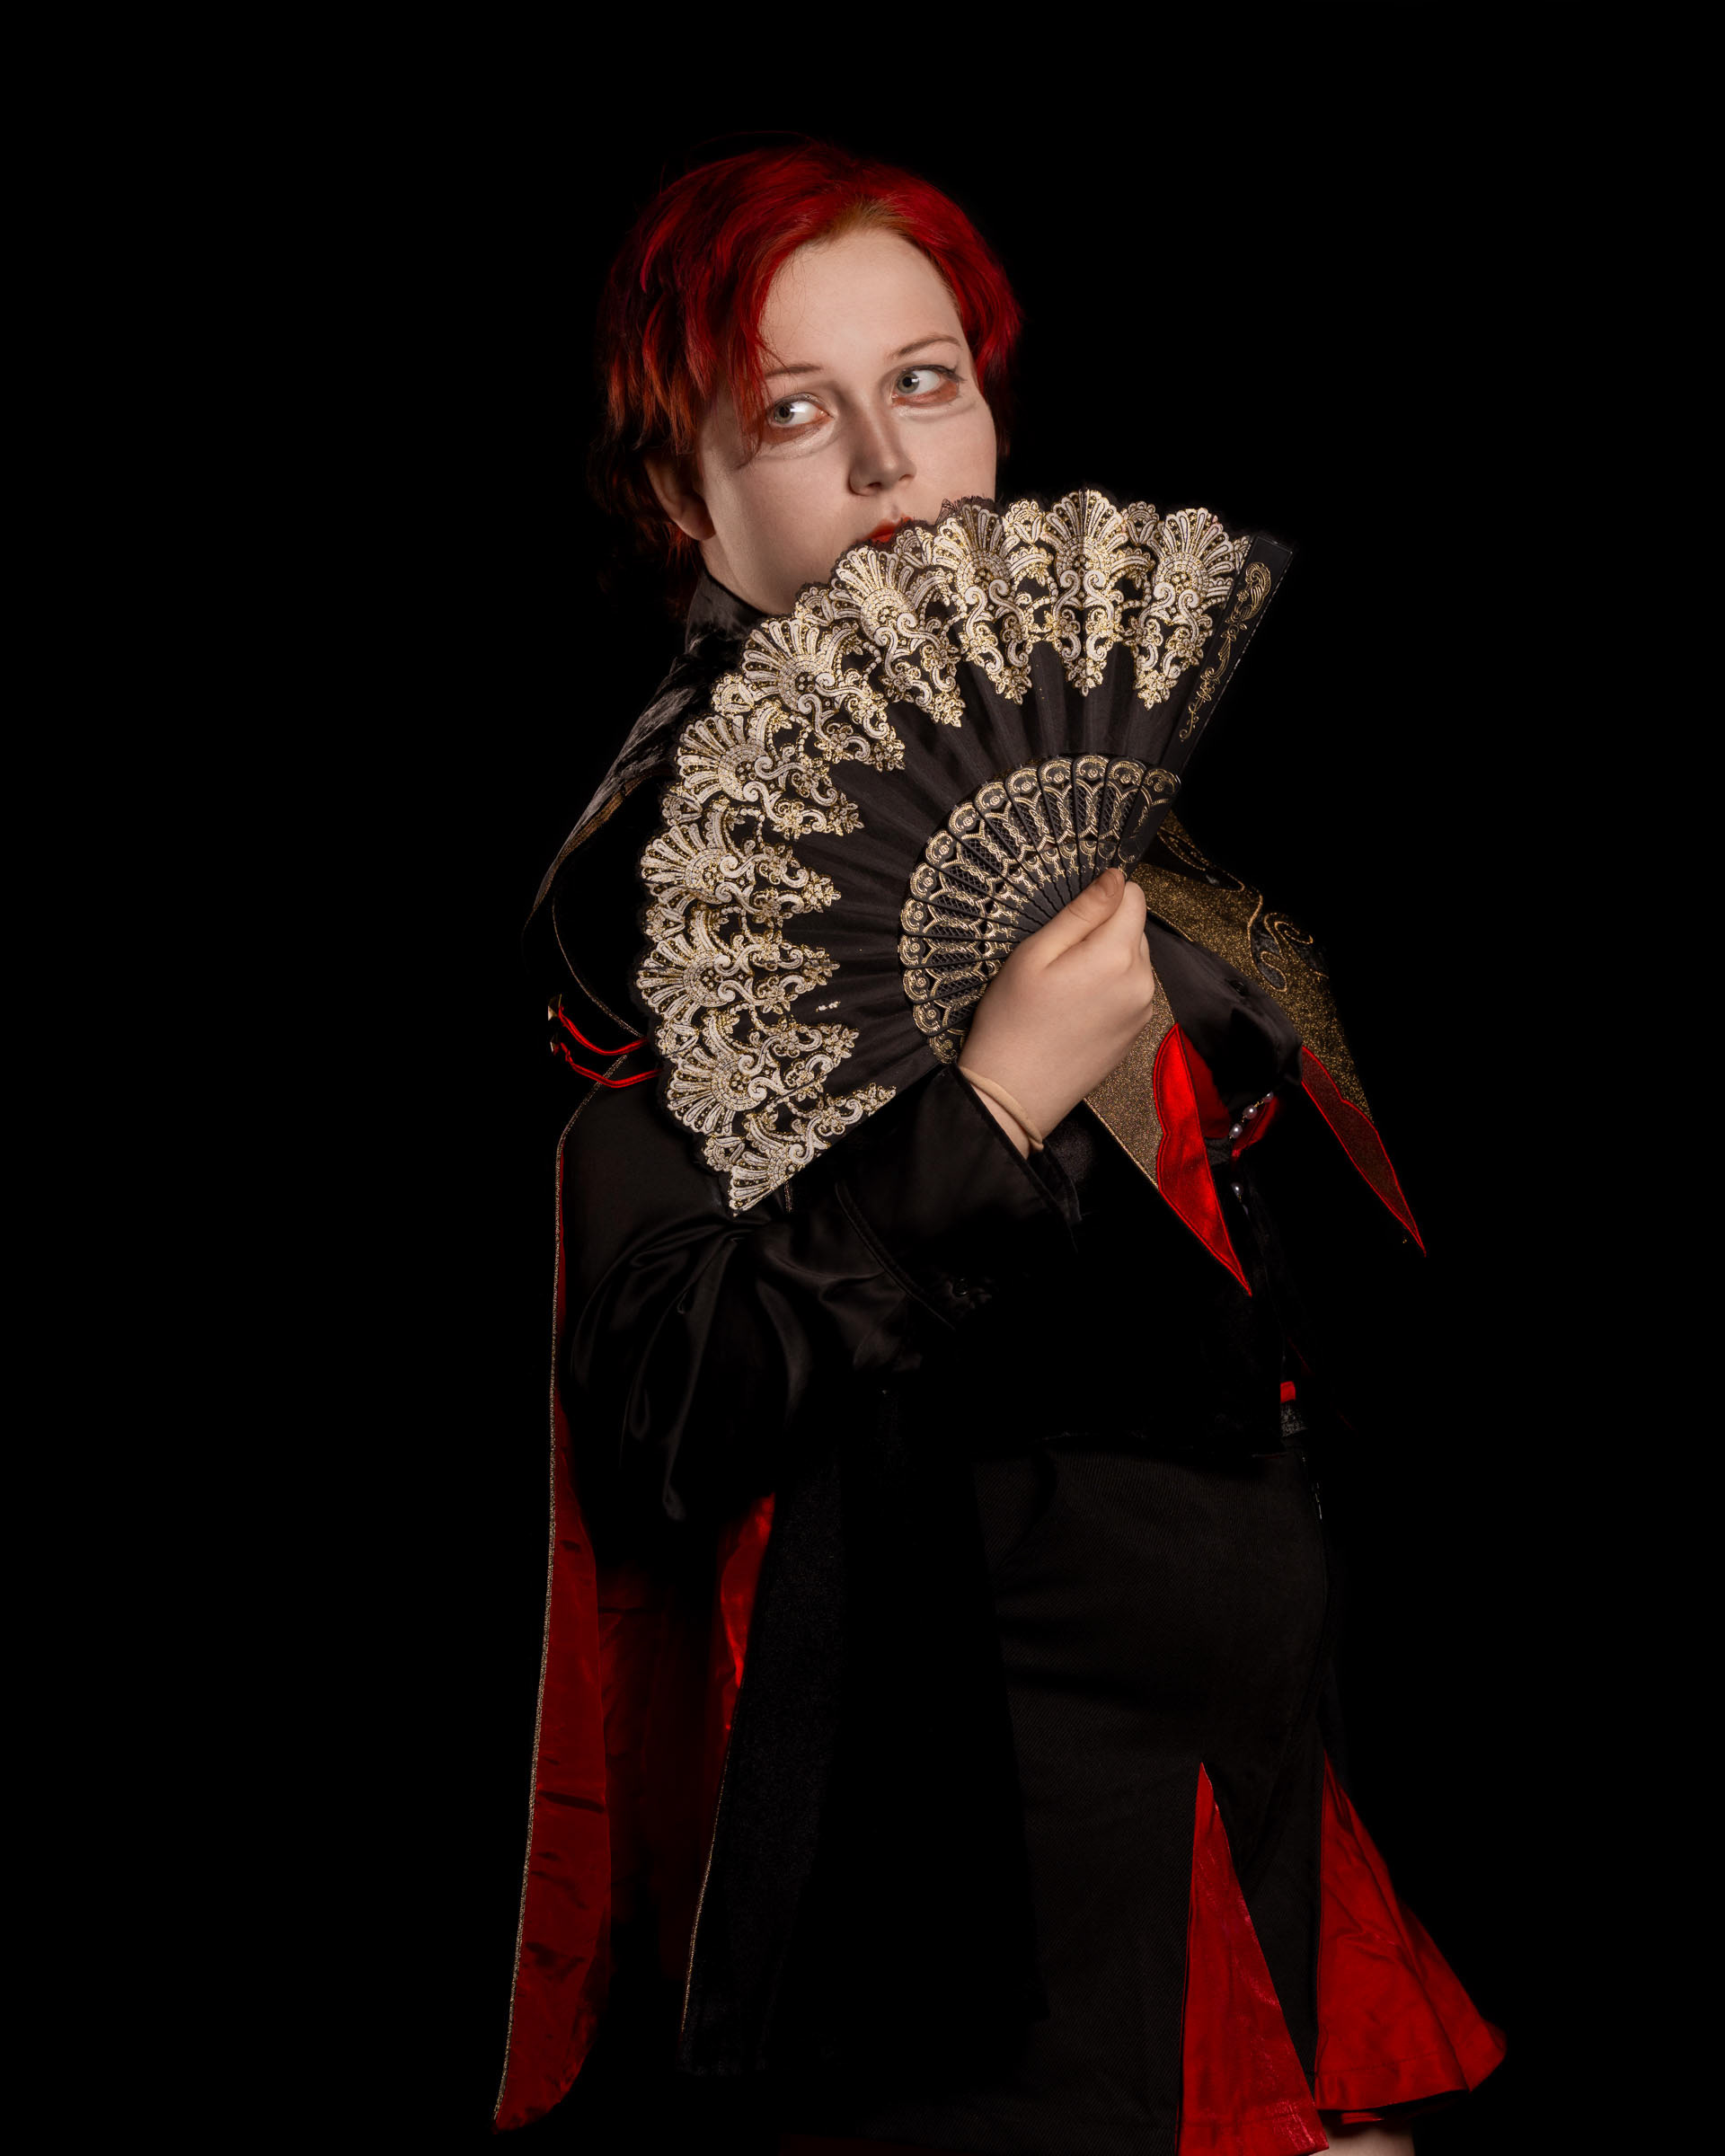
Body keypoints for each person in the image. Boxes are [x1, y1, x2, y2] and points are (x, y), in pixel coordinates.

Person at [494, 141, 1505, 2156]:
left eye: (927, 379)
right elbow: (669, 1404)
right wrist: (996, 1099)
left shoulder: (1080, 765)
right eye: (793, 413)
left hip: (1253, 1785)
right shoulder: (662, 878)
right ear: (685, 491)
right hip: (982, 1851)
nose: (887, 464)